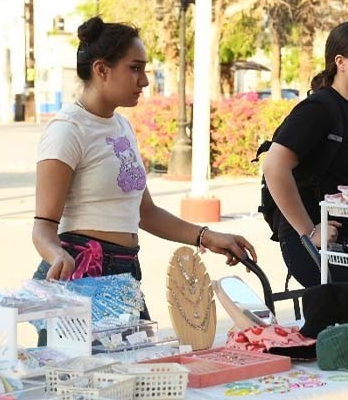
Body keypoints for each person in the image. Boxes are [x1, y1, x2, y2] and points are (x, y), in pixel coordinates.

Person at [31, 17, 257, 303]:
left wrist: (208, 236)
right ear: (101, 69)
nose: (145, 81)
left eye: (144, 69)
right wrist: (57, 255)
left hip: (126, 273)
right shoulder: (68, 129)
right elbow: (42, 228)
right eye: (135, 68)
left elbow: (145, 213)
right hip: (83, 277)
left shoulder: (122, 126)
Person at [262, 21, 348, 289]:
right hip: (316, 245)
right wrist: (309, 231)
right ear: (341, 62)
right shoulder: (318, 109)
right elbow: (274, 167)